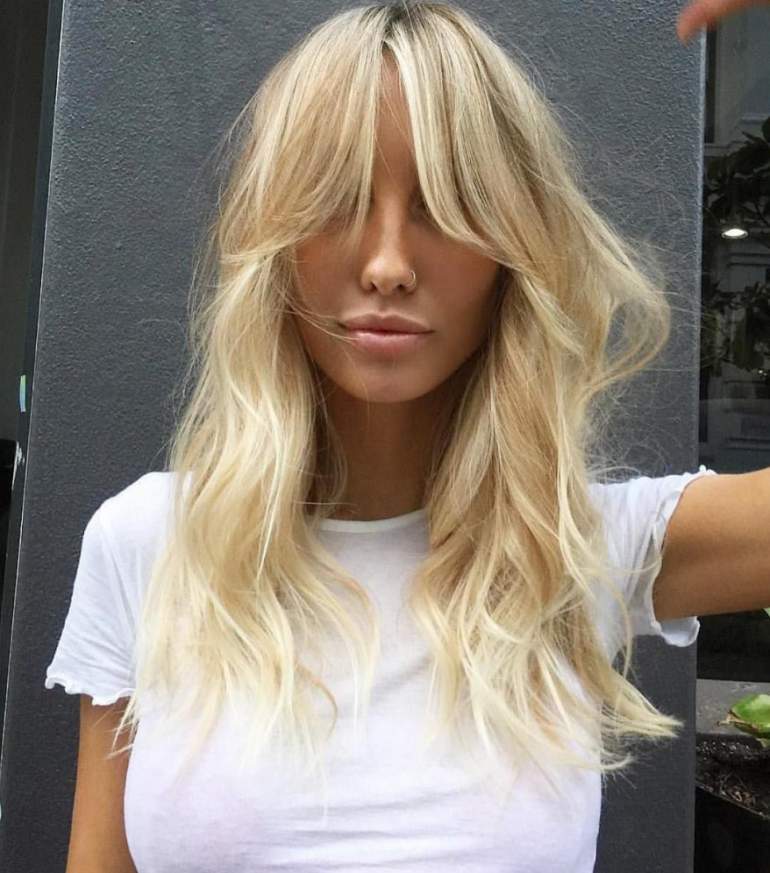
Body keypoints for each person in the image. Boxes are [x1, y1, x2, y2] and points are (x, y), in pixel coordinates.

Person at [45, 3, 735, 871]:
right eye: (337, 202)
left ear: (513, 251)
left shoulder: (572, 548)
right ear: (272, 238)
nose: (387, 265)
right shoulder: (148, 543)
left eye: (444, 207)